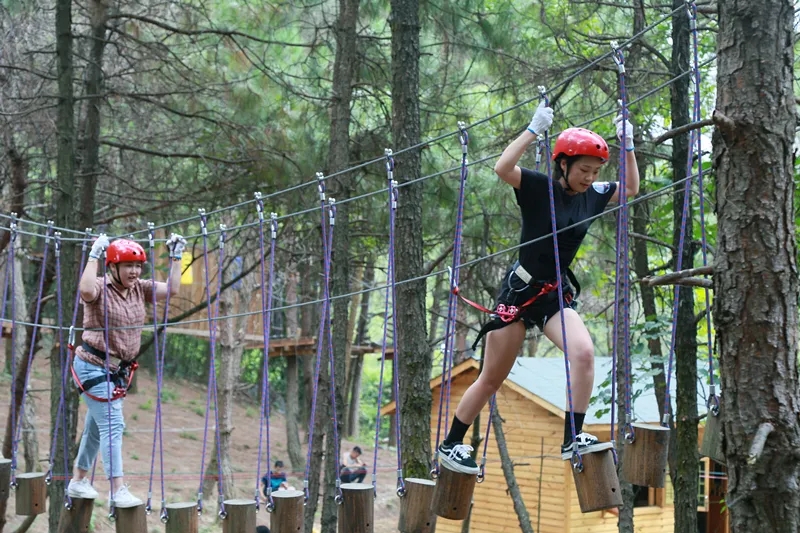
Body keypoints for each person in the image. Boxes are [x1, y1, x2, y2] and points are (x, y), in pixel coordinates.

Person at [437, 102, 640, 474]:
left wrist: (627, 145)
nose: (589, 177)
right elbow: (502, 168)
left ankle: (572, 436)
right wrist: (532, 130)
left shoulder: (593, 194)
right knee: (492, 378)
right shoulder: (539, 188)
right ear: (562, 164)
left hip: (553, 295)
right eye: (583, 170)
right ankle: (451, 443)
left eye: (595, 171)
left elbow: (629, 188)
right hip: (519, 293)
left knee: (583, 353)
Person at [66, 233, 187, 505]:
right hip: (92, 365)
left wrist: (176, 256)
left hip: (115, 371)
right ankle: (117, 489)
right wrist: (94, 254)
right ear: (113, 267)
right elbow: (85, 290)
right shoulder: (99, 286)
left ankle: (78, 481)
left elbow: (172, 290)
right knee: (113, 423)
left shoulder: (139, 289)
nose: (134, 271)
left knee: (96, 428)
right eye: (128, 266)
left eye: (137, 266)